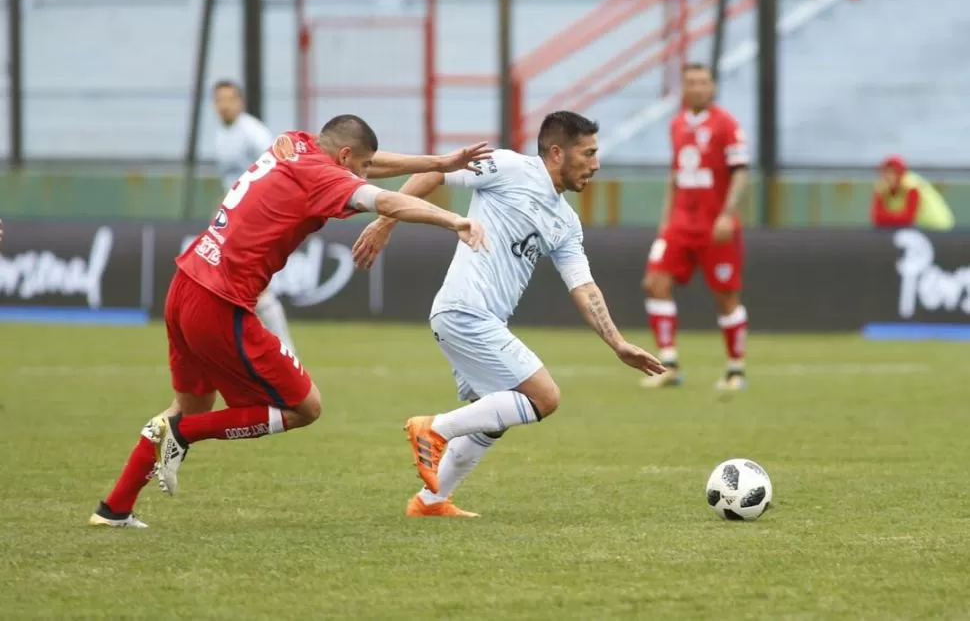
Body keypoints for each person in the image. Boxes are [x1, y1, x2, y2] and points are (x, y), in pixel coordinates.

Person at [88, 115, 489, 528]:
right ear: (344, 155)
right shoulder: (327, 177)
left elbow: (372, 163)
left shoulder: (297, 143)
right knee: (304, 406)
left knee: (189, 405)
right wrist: (453, 220)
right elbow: (385, 200)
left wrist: (438, 163)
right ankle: (185, 434)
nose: (365, 175)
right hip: (219, 303)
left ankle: (114, 508)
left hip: (186, 282)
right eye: (361, 166)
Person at [352, 111, 666, 518]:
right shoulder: (507, 166)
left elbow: (583, 287)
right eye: (588, 154)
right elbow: (439, 174)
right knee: (544, 397)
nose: (596, 164)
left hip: (481, 319)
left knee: (493, 414)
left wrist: (618, 343)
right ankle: (434, 430)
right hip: (464, 309)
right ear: (557, 153)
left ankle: (430, 501)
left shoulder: (566, 222)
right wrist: (385, 221)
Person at [641, 63, 750, 392]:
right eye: (692, 82)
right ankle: (668, 363)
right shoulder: (676, 124)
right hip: (680, 225)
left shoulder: (726, 124)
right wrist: (665, 222)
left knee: (725, 296)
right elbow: (675, 175)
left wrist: (728, 214)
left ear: (713, 87)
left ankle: (735, 369)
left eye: (704, 82)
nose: (699, 88)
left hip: (715, 225)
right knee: (654, 281)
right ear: (684, 88)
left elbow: (741, 173)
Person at [212, 80, 296, 351]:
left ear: (240, 102)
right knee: (240, 286)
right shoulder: (220, 135)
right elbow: (230, 182)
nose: (223, 105)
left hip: (256, 218)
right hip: (235, 218)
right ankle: (258, 349)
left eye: (228, 99)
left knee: (256, 287)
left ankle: (286, 353)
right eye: (219, 100)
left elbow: (278, 167)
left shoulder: (253, 133)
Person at [870, 154, 954, 231]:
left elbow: (907, 218)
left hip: (938, 229)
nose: (887, 176)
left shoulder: (912, 186)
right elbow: (876, 216)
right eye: (885, 172)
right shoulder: (882, 187)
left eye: (892, 172)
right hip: (920, 230)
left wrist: (887, 218)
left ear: (900, 173)